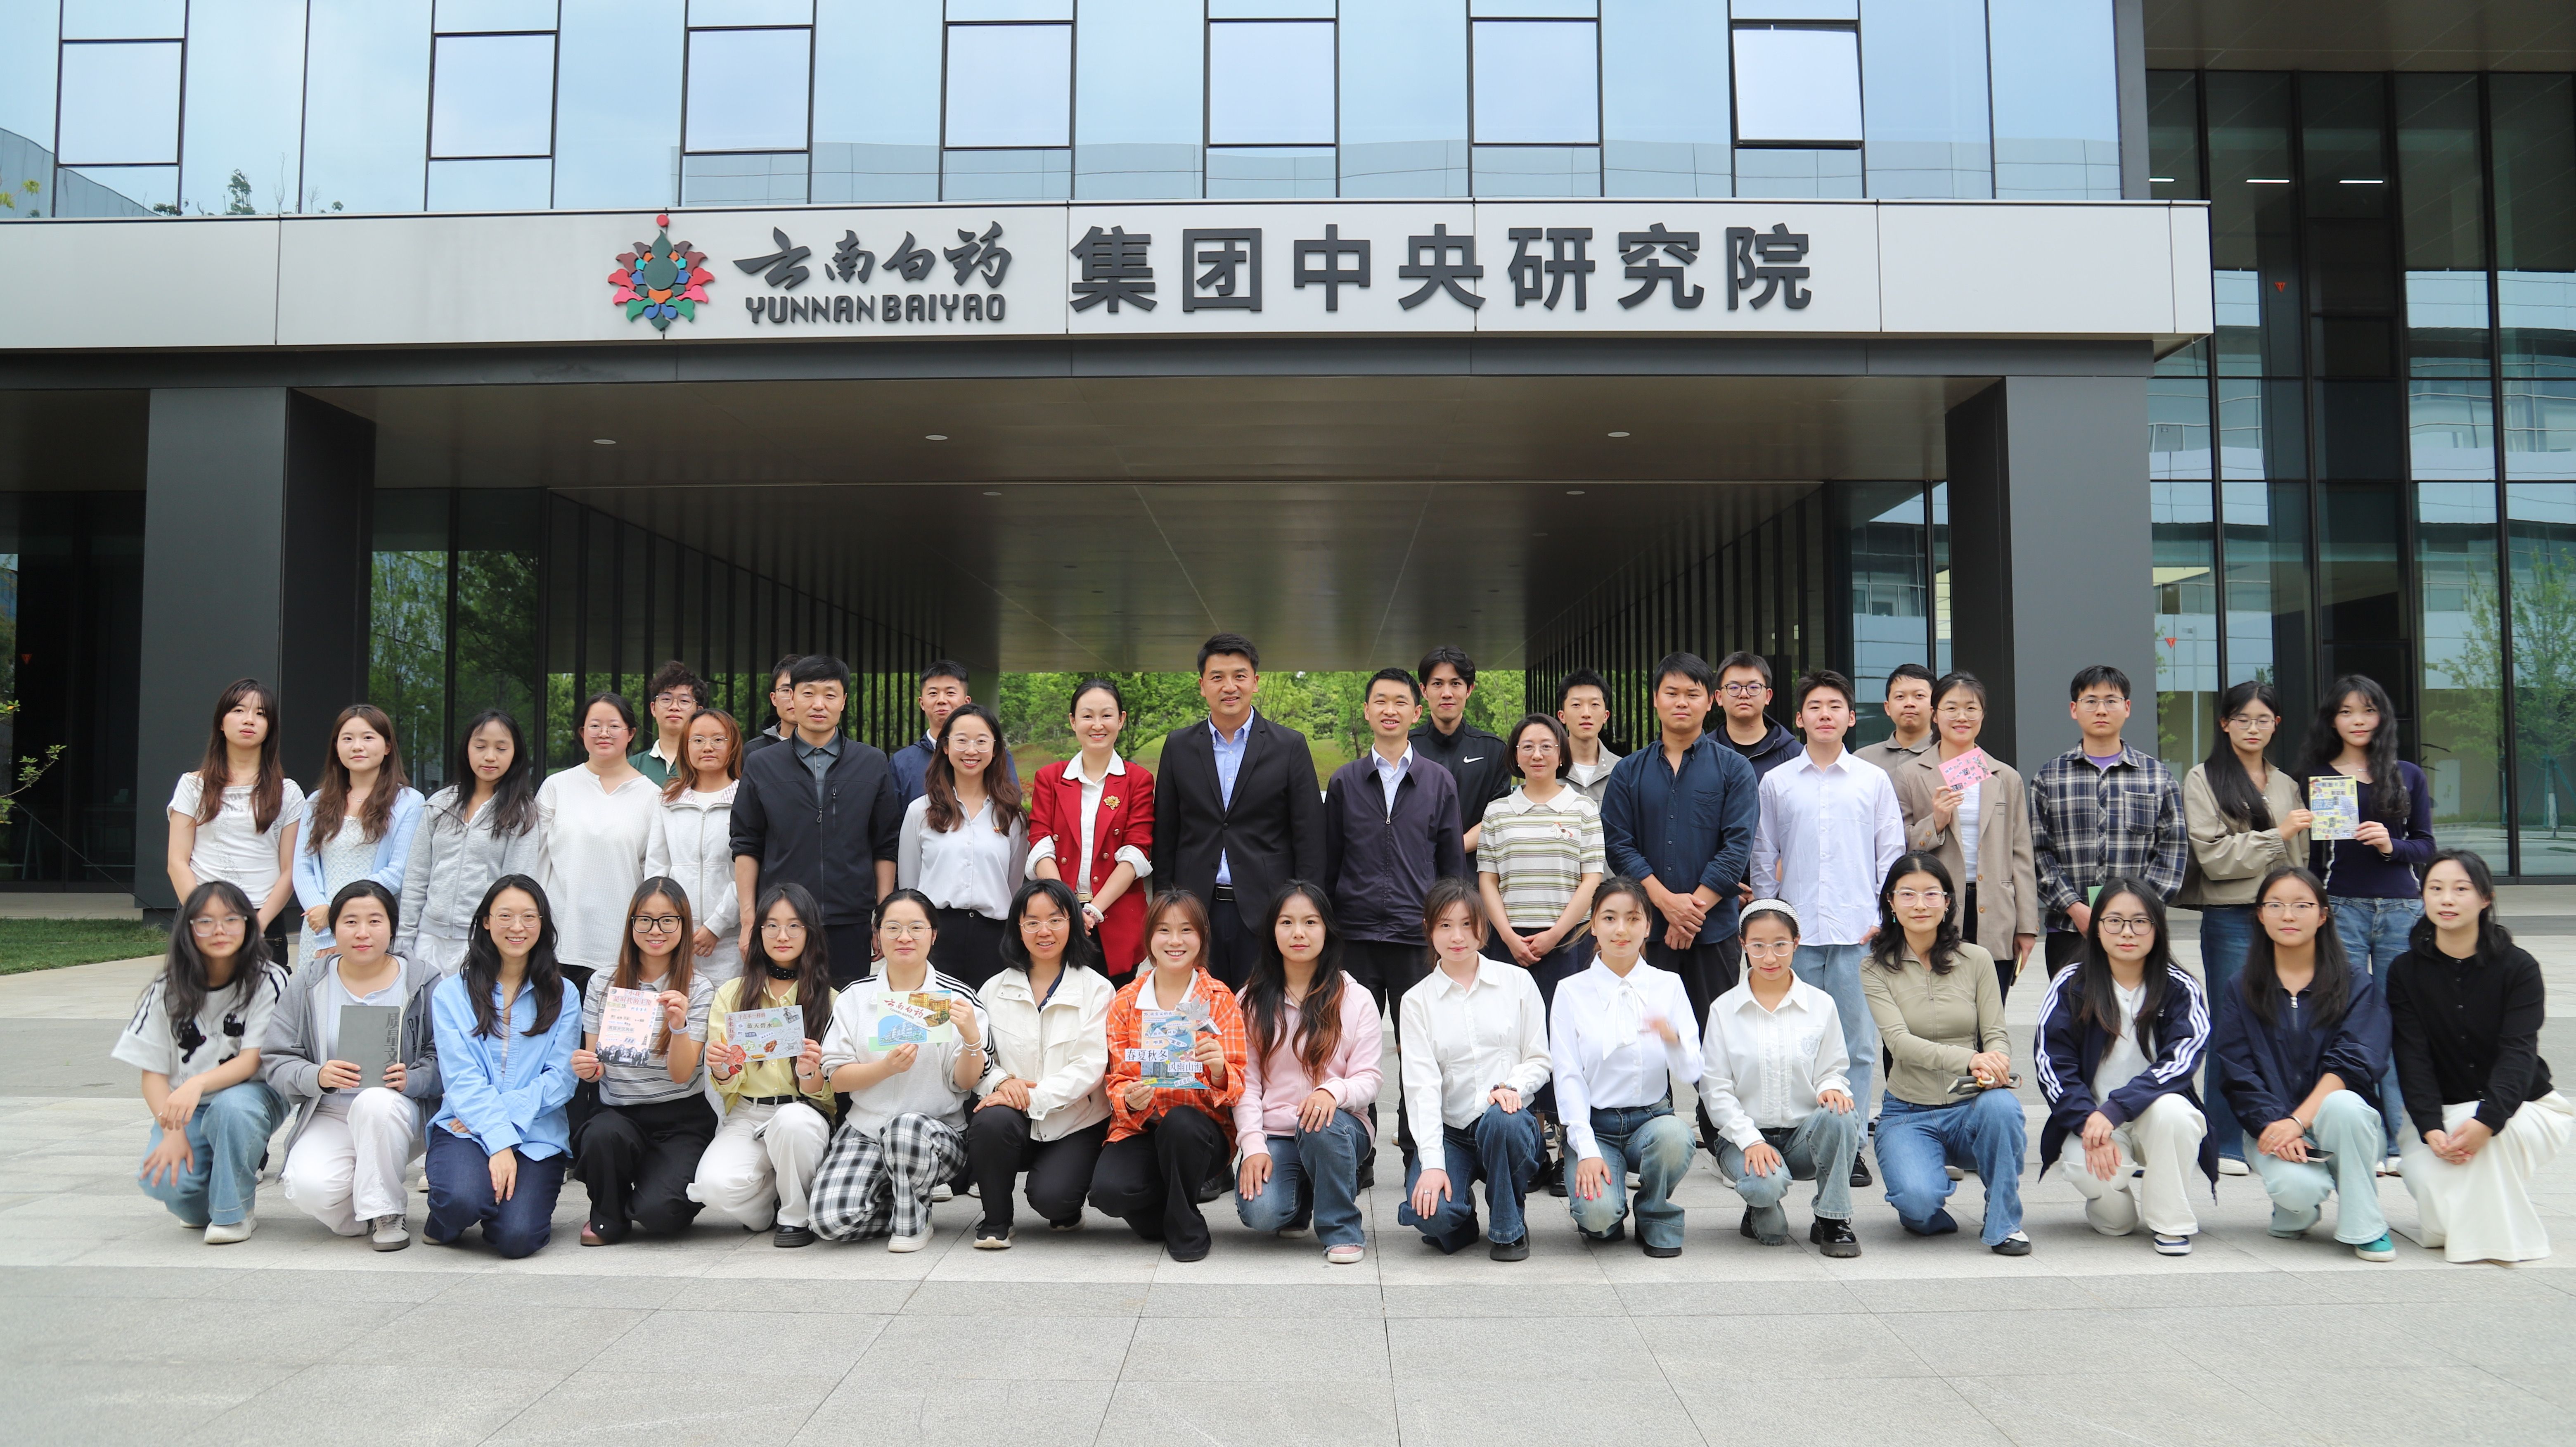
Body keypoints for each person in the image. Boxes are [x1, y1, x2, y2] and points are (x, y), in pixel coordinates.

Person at [1752, 669, 1904, 1188]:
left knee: (1857, 1045)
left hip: (1857, 933)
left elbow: (1891, 854)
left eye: (1835, 706)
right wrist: (1770, 922)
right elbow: (1763, 854)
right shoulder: (1777, 783)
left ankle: (1851, 1143)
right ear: (1799, 718)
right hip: (1794, 936)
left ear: (1851, 717)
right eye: (1815, 706)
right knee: (1793, 1042)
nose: (1824, 714)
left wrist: (1885, 920)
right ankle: (1800, 1138)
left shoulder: (1872, 781)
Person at [2207, 866, 2397, 1261]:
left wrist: (2298, 1121)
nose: (2288, 916)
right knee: (2298, 1190)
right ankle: (2296, 1208)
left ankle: (2366, 1225)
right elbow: (2238, 1073)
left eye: (2302, 906)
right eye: (2275, 905)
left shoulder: (2355, 983)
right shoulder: (2241, 987)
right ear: (2260, 915)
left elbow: (2354, 1062)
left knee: (2343, 1106)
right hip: (2271, 1127)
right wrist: (2277, 1124)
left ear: (2323, 915)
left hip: (2349, 1127)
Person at [2391, 850, 2568, 1263]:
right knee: (2433, 1182)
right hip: (2440, 1114)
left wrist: (2487, 1121)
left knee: (2487, 1146)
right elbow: (2412, 1056)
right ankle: (2459, 1224)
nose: (2446, 899)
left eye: (2461, 889)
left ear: (2486, 899)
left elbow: (2518, 1053)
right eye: (2436, 889)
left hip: (2528, 1107)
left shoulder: (2519, 967)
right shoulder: (2405, 971)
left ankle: (2496, 1244)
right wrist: (2430, 1127)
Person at [1324, 667, 1461, 1169]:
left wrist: (1450, 931)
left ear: (1416, 712)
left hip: (1415, 937)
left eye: (1400, 701)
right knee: (1348, 1048)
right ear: (1366, 711)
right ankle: (1356, 1154)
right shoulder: (1344, 781)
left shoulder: (1438, 781)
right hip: (1354, 935)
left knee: (1418, 1050)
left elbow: (1452, 866)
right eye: (1380, 701)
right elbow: (1329, 861)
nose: (1389, 710)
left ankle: (1417, 1152)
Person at [2033, 881, 2215, 1255]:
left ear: (2158, 928)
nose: (2127, 932)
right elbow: (2052, 1063)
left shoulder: (2180, 987)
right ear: (2097, 927)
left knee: (2177, 1114)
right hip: (2094, 1118)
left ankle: (2171, 1223)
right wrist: (2088, 1120)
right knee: (2115, 1225)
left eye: (2140, 922)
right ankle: (2114, 1207)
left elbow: (2181, 1061)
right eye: (2114, 921)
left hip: (2153, 1116)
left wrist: (2117, 1109)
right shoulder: (2071, 983)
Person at [2175, 680, 2311, 1174]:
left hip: (2285, 918)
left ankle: (2277, 1128)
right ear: (2225, 723)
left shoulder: (2286, 783)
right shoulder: (2203, 778)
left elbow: (2301, 859)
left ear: (2277, 725)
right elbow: (2214, 858)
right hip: (2232, 915)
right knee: (2231, 1025)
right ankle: (2226, 1140)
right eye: (2243, 719)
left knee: (2286, 1022)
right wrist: (2279, 834)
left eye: (2263, 720)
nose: (2253, 728)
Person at [1863, 853, 2030, 1255]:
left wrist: (1997, 1061)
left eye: (1931, 894)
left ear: (1947, 903)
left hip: (1971, 1104)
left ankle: (2004, 1223)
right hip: (1908, 1112)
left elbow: (1995, 1034)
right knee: (1918, 1205)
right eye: (1908, 894)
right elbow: (1899, 1043)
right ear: (1891, 902)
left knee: (2003, 1108)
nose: (1920, 905)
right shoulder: (1875, 968)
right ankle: (1927, 1196)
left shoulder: (1977, 960)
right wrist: (1970, 1059)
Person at [2300, 672, 2435, 1163]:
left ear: (2382, 717)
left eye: (2368, 710)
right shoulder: (2319, 778)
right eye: (2347, 712)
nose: (2358, 720)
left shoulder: (2407, 775)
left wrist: (2391, 844)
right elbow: (2315, 861)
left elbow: (2427, 846)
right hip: (2343, 908)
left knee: (2401, 1020)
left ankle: (2403, 1139)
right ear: (2332, 720)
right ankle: (2359, 1136)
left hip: (2402, 909)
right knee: (2348, 1021)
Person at [811, 888, 993, 1252]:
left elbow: (966, 1082)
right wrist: (885, 1068)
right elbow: (837, 1077)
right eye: (893, 928)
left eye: (916, 928)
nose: (904, 937)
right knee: (830, 1221)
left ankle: (914, 1220)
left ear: (933, 935)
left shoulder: (958, 998)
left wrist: (972, 1038)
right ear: (877, 935)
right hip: (866, 1130)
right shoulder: (855, 997)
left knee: (905, 1128)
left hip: (937, 1134)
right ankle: (901, 1200)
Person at [265, 880, 443, 1251]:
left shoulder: (423, 982)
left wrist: (413, 1079)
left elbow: (446, 1055)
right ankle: (363, 1209)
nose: (363, 933)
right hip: (330, 1112)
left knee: (374, 1102)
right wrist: (316, 1076)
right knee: (309, 1188)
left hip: (397, 1112)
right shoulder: (309, 983)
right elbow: (276, 1058)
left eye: (375, 921)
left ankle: (387, 1212)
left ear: (392, 928)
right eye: (350, 922)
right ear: (334, 928)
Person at [1151, 633, 1326, 990]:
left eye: (1239, 676)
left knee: (1264, 1010)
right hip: (1195, 910)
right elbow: (1166, 834)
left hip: (1268, 909)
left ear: (1255, 682)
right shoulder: (1178, 746)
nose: (1229, 687)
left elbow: (1310, 836)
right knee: (1199, 1009)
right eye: (1217, 677)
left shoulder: (1290, 746)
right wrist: (1166, 911)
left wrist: (1305, 913)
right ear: (1202, 686)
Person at [118, 880, 286, 1244]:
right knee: (169, 1185)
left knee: (232, 1109)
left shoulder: (270, 980)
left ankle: (235, 1214)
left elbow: (251, 1062)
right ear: (188, 929)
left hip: (253, 1096)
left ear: (249, 924)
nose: (219, 930)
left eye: (231, 919)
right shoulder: (165, 988)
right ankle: (213, 1197)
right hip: (188, 1107)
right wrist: (172, 1133)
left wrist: (195, 1084)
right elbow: (153, 1074)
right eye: (206, 921)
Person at [1601, 652, 1760, 1031]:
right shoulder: (1628, 772)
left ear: (1711, 701)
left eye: (1693, 694)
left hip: (1714, 933)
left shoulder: (1735, 769)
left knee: (1716, 1041)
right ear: (1656, 699)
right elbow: (1619, 845)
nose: (1682, 702)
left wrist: (1689, 915)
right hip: (1647, 931)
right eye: (1672, 693)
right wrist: (1666, 904)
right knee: (1649, 1039)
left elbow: (1737, 849)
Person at [424, 875, 581, 1258]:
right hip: (466, 1126)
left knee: (518, 1239)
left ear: (543, 924)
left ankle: (494, 1203)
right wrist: (498, 1142)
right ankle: (453, 1214)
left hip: (536, 1134)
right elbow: (461, 1079)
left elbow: (562, 1079)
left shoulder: (565, 994)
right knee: (461, 1200)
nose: (517, 927)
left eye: (529, 917)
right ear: (486, 922)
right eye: (506, 916)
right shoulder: (450, 993)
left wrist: (503, 1120)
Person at [1396, 876, 1551, 1260]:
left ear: (1484, 927)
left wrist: (1511, 1087)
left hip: (1506, 1124)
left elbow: (1539, 1058)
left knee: (1504, 1120)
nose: (1457, 936)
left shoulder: (1517, 982)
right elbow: (1421, 1088)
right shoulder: (1416, 1002)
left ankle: (1509, 1227)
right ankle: (1460, 1220)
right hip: (1453, 1132)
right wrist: (1433, 1164)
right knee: (1431, 1214)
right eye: (1445, 925)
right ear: (1429, 929)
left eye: (1468, 924)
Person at [1088, 891, 1247, 1262]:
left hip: (1201, 1132)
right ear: (1149, 938)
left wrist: (1220, 1069)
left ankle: (1186, 1229)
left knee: (1180, 1124)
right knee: (1109, 1192)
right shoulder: (1127, 1000)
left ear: (1202, 937)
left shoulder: (1219, 998)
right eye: (1164, 930)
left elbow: (1238, 1083)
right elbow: (1118, 1079)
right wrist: (1130, 1099)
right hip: (1143, 1126)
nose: (1175, 941)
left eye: (1187, 930)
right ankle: (1175, 1211)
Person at [1699, 899, 1862, 1256]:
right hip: (1744, 1141)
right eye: (1758, 946)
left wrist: (1831, 1088)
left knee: (1842, 1114)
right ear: (1743, 945)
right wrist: (1751, 1141)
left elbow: (1832, 1068)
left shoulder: (1821, 1004)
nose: (1769, 957)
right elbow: (1715, 1090)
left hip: (1803, 1137)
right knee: (1771, 1224)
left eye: (1780, 945)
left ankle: (1832, 1218)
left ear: (1796, 943)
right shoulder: (1724, 1010)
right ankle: (1761, 1203)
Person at [730, 654, 904, 987]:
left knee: (845, 1010)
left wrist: (883, 918)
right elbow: (746, 845)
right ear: (792, 698)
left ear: (844, 701)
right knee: (783, 1011)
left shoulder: (871, 762)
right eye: (808, 693)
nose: (818, 704)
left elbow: (885, 845)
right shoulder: (762, 764)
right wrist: (750, 920)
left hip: (850, 920)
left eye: (830, 694)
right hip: (782, 921)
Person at [1552, 876, 1702, 1257]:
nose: (1621, 930)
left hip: (1651, 1120)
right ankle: (1610, 1209)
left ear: (1648, 926)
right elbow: (1568, 1077)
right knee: (1599, 1219)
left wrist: (1671, 1039)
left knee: (1675, 1136)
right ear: (1593, 926)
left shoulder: (1668, 985)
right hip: (1595, 1124)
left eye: (1633, 919)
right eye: (1609, 918)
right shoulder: (1571, 991)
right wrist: (1586, 1148)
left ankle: (1656, 1212)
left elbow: (1691, 1072)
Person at [1234, 881, 1383, 1264]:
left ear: (1327, 930)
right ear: (1272, 931)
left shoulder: (1355, 998)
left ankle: (1341, 1228)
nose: (1298, 933)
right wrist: (1253, 1147)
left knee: (1321, 1125)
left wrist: (1332, 1092)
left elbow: (1370, 1079)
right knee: (1262, 1214)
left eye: (1310, 922)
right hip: (1278, 1133)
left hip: (1340, 1128)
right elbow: (1246, 1083)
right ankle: (1301, 1199)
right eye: (1287, 922)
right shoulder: (1250, 1000)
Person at [967, 878, 1115, 1247]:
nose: (1044, 931)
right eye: (1032, 922)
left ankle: (1066, 1206)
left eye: (1055, 920)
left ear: (1073, 923)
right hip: (1012, 1114)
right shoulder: (993, 989)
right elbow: (980, 1055)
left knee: (1053, 1199)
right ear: (1017, 928)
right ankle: (997, 1220)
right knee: (990, 1121)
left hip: (1075, 1118)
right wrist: (1001, 1084)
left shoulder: (1098, 989)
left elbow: (1090, 1067)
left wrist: (1030, 1097)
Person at [567, 877, 715, 1246]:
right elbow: (597, 1064)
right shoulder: (603, 983)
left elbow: (682, 1075)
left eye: (668, 920)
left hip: (680, 1118)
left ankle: (649, 1187)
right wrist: (588, 1068)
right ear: (631, 923)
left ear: (684, 925)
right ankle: (609, 1213)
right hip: (618, 1113)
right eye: (645, 920)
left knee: (660, 1215)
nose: (655, 930)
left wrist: (679, 1026)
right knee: (602, 1134)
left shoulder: (699, 988)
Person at [691, 883, 838, 1245]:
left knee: (792, 1122)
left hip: (805, 1112)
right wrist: (722, 1068)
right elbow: (726, 1083)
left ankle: (795, 1217)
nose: (782, 936)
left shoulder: (831, 1000)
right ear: (758, 932)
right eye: (771, 925)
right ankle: (767, 1207)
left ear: (810, 932)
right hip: (748, 1113)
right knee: (713, 1187)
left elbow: (833, 1093)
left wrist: (811, 1074)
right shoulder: (732, 994)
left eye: (794, 926)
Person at [1888, 671, 2038, 1001]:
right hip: (1935, 907)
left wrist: (2027, 926)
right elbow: (1899, 848)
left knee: (1990, 1013)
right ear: (1935, 714)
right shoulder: (1910, 775)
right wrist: (1936, 822)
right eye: (1951, 708)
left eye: (1971, 709)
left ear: (1983, 715)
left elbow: (2022, 854)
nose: (1962, 717)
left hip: (1995, 910)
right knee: (1939, 1011)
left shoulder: (2005, 777)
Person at [2030, 665, 2187, 977]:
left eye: (2111, 701)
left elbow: (2173, 852)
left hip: (2139, 931)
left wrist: (2135, 914)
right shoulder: (2050, 777)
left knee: (2139, 1005)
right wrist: (2075, 908)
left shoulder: (2157, 777)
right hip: (2070, 929)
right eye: (2091, 701)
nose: (2101, 710)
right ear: (2074, 709)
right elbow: (2037, 852)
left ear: (2127, 708)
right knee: (2073, 1006)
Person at [1026, 677, 1156, 981]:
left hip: (1117, 920)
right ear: (1073, 722)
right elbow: (1041, 845)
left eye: (1107, 715)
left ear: (1121, 720)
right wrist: (1066, 908)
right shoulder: (1050, 778)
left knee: (1116, 1004)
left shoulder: (1138, 780)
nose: (1098, 725)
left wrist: (1093, 911)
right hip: (1056, 918)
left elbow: (1136, 852)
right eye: (1087, 716)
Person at [398, 709, 542, 977]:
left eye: (501, 748)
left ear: (516, 754)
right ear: (467, 749)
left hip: (482, 941)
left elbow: (516, 890)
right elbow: (417, 876)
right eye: (480, 746)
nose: (490, 756)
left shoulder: (521, 814)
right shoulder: (439, 805)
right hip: (428, 939)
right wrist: (405, 937)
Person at [896, 703, 1028, 992]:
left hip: (994, 940)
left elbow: (1014, 884)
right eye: (962, 740)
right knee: (937, 1016)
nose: (971, 750)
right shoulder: (920, 812)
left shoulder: (1011, 815)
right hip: (936, 937)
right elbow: (909, 886)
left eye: (982, 741)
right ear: (945, 746)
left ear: (996, 749)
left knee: (988, 1015)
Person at [535, 692, 659, 995]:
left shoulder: (652, 796)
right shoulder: (556, 787)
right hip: (559, 940)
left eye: (614, 726)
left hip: (620, 945)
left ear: (631, 733)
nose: (604, 733)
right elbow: (535, 862)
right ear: (582, 732)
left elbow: (655, 873)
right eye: (594, 725)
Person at [166, 678, 304, 945]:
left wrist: (258, 925)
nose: (249, 720)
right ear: (221, 722)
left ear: (270, 727)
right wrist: (205, 919)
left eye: (260, 714)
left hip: (263, 920)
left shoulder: (288, 792)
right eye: (239, 710)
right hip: (201, 917)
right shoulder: (193, 786)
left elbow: (290, 869)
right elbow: (177, 862)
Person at [292, 704, 425, 971]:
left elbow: (398, 873)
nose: (357, 746)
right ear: (336, 747)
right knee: (317, 993)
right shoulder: (316, 802)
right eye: (348, 739)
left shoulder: (409, 802)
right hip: (320, 927)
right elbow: (302, 868)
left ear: (387, 747)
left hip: (371, 926)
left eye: (368, 737)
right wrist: (322, 915)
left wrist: (337, 912)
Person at [646, 707, 745, 986]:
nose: (708, 747)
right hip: (676, 937)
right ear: (686, 747)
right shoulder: (669, 799)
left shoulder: (747, 798)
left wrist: (716, 926)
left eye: (718, 739)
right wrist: (666, 923)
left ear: (733, 746)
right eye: (698, 740)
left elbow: (749, 872)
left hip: (730, 939)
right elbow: (657, 868)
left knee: (725, 1010)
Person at [1413, 645, 1511, 870]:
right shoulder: (1407, 748)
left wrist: (1452, 848)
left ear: (1469, 689)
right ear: (1424, 691)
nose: (1447, 693)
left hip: (1476, 876)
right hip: (1416, 876)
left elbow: (1498, 816)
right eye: (1438, 684)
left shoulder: (1493, 750)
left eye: (1456, 684)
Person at [890, 659, 1019, 803]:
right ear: (922, 703)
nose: (941, 700)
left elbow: (1011, 805)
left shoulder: (994, 755)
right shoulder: (902, 762)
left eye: (950, 693)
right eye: (933, 693)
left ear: (966, 702)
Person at [1712, 651, 1799, 776]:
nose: (1744, 695)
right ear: (1719, 697)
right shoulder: (1702, 752)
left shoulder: (1795, 754)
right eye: (1734, 687)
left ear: (1768, 696)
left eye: (1753, 687)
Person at [627, 661, 703, 785]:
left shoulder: (707, 764)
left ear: (699, 712)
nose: (674, 707)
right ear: (653, 708)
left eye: (684, 701)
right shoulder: (632, 767)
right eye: (666, 699)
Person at [1556, 668, 1622, 807]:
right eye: (1576, 705)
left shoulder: (1623, 771)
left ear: (1606, 716)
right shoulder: (1547, 769)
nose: (1586, 713)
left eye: (1595, 705)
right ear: (1562, 716)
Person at [1855, 662, 1937, 771]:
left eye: (1919, 696)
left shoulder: (1948, 757)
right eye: (1900, 696)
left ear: (1935, 705)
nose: (1909, 703)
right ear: (1888, 707)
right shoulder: (1862, 759)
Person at [740, 655, 801, 757]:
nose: (793, 699)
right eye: (786, 691)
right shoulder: (754, 750)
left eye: (804, 691)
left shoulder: (828, 748)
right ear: (774, 699)